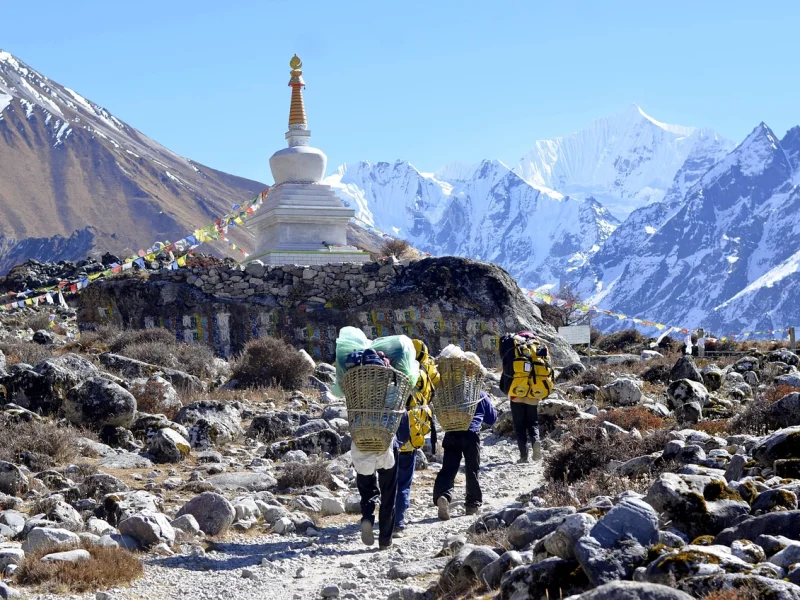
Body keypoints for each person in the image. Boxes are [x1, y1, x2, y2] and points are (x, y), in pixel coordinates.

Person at [393, 339, 439, 538]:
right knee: (404, 483)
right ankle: (398, 523)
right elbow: (430, 395)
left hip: (388, 439)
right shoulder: (422, 374)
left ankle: (385, 519)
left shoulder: (391, 372)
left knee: (388, 483)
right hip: (410, 439)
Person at [432, 390, 497, 519]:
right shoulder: (479, 394)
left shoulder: (449, 392)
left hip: (451, 433)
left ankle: (443, 496)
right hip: (471, 434)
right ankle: (472, 506)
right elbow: (491, 419)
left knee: (448, 469)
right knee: (472, 469)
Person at [354, 412, 410, 550]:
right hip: (388, 448)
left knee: (367, 489)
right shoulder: (396, 400)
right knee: (388, 495)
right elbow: (405, 433)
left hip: (362, 446)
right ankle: (385, 540)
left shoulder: (357, 399)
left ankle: (367, 517)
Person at [507, 331, 545, 463]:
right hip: (533, 393)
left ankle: (523, 456)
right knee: (533, 423)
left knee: (519, 426)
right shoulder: (538, 348)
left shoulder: (516, 348)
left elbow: (508, 369)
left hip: (517, 393)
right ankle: (536, 443)